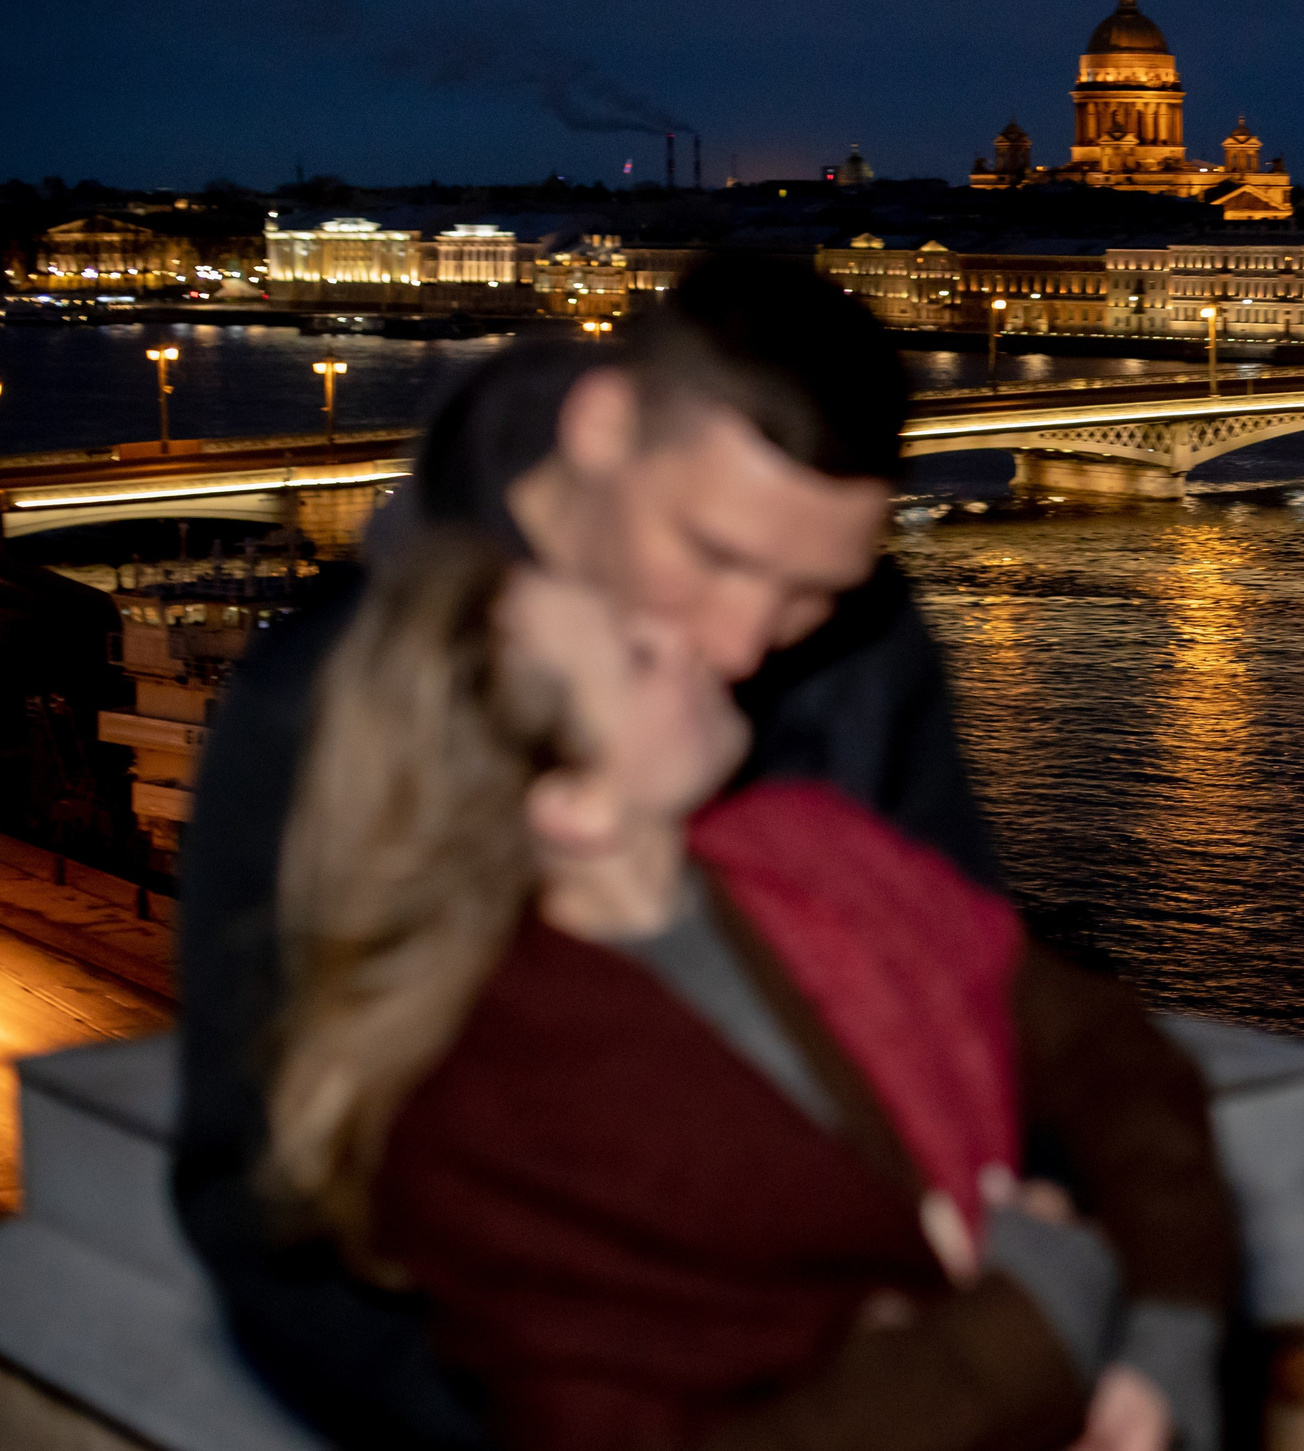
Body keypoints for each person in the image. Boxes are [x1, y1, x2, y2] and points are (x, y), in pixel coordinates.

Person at [172, 256, 1125, 1448]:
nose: (740, 642)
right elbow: (260, 1195)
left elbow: (985, 1018)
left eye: (809, 591)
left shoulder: (868, 653)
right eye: (717, 555)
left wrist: (1071, 1332)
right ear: (603, 426)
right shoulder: (315, 701)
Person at [259, 529, 1230, 1451]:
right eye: (639, 656)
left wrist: (1165, 1342)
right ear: (572, 806)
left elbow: (1110, 1056)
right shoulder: (480, 1119)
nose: (692, 639)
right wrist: (1045, 1305)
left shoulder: (816, 851)